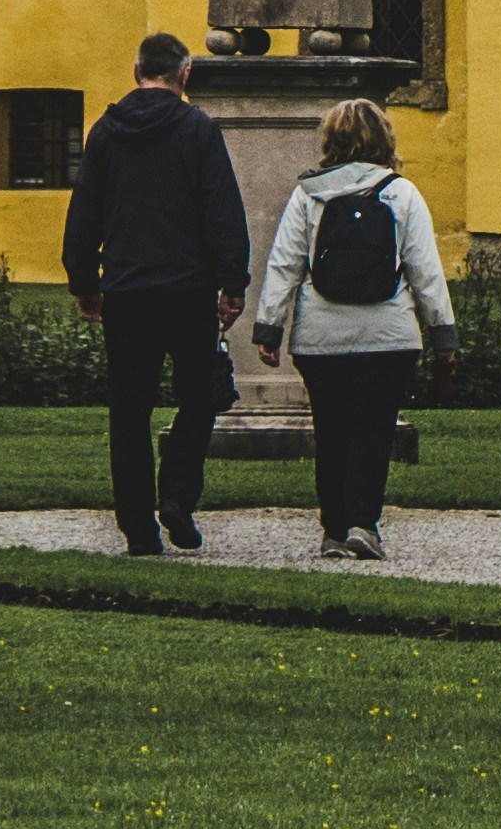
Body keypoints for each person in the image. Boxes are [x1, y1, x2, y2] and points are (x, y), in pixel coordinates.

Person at [60, 30, 247, 554]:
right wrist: (233, 282)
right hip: (188, 289)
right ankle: (178, 497)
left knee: (129, 411)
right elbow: (222, 210)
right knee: (198, 399)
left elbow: (85, 213)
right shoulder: (198, 129)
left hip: (127, 290)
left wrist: (84, 282)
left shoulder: (105, 133)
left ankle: (138, 528)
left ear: (136, 71)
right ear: (185, 74)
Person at [251, 96, 451, 558]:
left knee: (332, 432)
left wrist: (269, 329)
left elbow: (285, 265)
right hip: (388, 334)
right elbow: (425, 271)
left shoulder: (308, 195)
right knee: (373, 430)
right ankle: (364, 523)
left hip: (321, 337)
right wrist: (443, 334)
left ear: (331, 139)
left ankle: (333, 530)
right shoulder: (402, 193)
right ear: (384, 138)